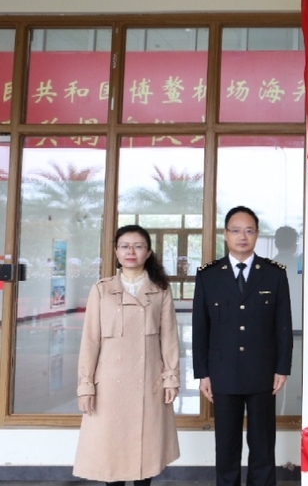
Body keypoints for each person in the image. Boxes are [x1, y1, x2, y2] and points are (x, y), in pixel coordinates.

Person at [192, 206, 293, 486]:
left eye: (249, 230)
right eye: (235, 230)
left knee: (262, 445)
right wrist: (202, 373)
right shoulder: (208, 275)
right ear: (225, 235)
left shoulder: (273, 274)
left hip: (262, 371)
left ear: (257, 235)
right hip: (222, 372)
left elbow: (282, 324)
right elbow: (201, 328)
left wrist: (282, 367)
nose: (242, 236)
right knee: (226, 447)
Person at [73, 225, 180, 486]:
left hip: (148, 381)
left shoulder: (160, 289)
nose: (131, 251)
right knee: (112, 454)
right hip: (109, 384)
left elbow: (169, 338)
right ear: (116, 252)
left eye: (138, 246)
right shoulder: (101, 289)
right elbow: (90, 341)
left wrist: (171, 378)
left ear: (148, 252)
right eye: (125, 246)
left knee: (146, 454)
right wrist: (85, 385)